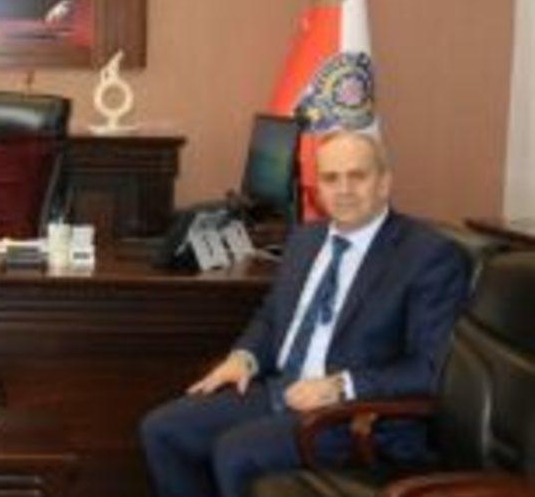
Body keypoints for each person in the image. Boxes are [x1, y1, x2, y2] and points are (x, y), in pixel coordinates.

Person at [140, 130, 471, 497]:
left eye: (357, 176)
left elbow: (428, 368)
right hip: (284, 389)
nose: (344, 189)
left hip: (356, 415)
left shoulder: (427, 256)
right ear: (317, 190)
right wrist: (245, 356)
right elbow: (272, 316)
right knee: (163, 431)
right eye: (331, 178)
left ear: (384, 182)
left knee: (236, 452)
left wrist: (339, 386)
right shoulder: (305, 240)